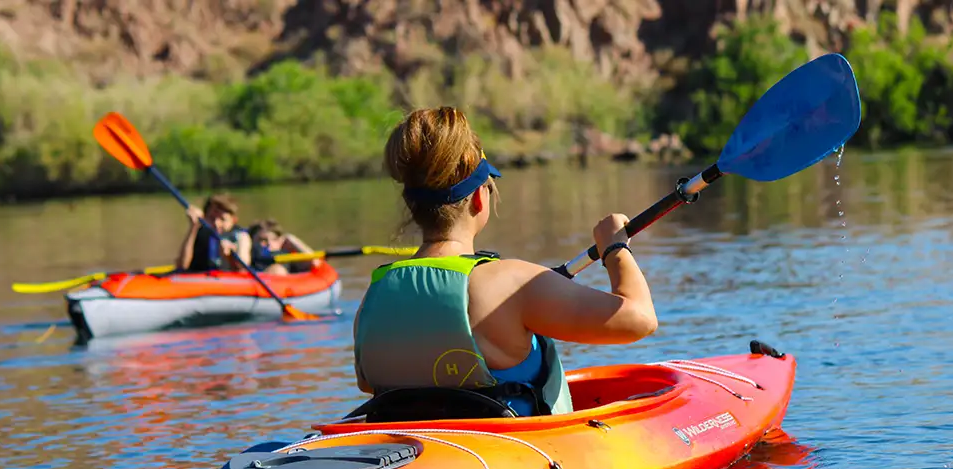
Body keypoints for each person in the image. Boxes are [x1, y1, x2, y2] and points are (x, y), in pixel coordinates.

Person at [352, 106, 657, 418]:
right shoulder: (511, 283)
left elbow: (367, 381)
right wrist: (614, 248)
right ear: (479, 198)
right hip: (511, 457)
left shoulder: (375, 294)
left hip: (415, 452)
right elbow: (640, 319)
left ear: (411, 205)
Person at [175, 193, 252, 272]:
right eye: (211, 218)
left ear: (234, 220)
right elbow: (182, 266)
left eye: (222, 219)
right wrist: (193, 228)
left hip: (226, 281)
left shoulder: (241, 236)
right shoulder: (199, 233)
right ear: (204, 217)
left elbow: (243, 268)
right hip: (200, 280)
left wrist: (230, 257)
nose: (216, 223)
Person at [248, 219, 316, 276]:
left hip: (281, 285)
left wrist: (291, 239)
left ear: (280, 241)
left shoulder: (287, 257)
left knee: (277, 269)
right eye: (262, 240)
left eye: (274, 239)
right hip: (253, 284)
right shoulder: (247, 257)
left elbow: (315, 263)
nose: (269, 243)